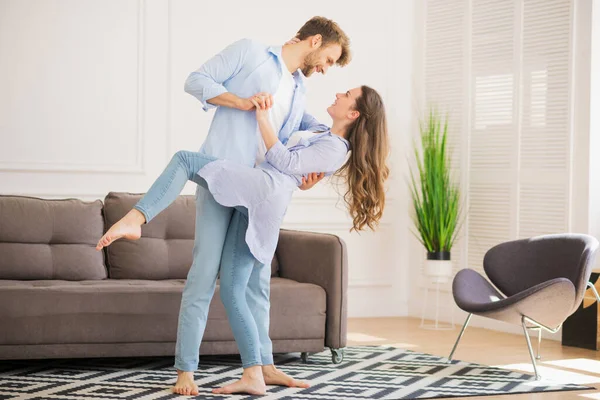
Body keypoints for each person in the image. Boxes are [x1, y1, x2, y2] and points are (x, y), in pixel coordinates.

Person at [97, 85, 389, 395]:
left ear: (354, 113)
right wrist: (282, 85)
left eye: (346, 94)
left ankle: (137, 218)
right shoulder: (321, 132)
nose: (338, 93)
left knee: (185, 160)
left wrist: (262, 117)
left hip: (263, 188)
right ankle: (253, 374)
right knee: (234, 291)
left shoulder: (335, 147)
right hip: (263, 199)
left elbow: (285, 163)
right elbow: (294, 117)